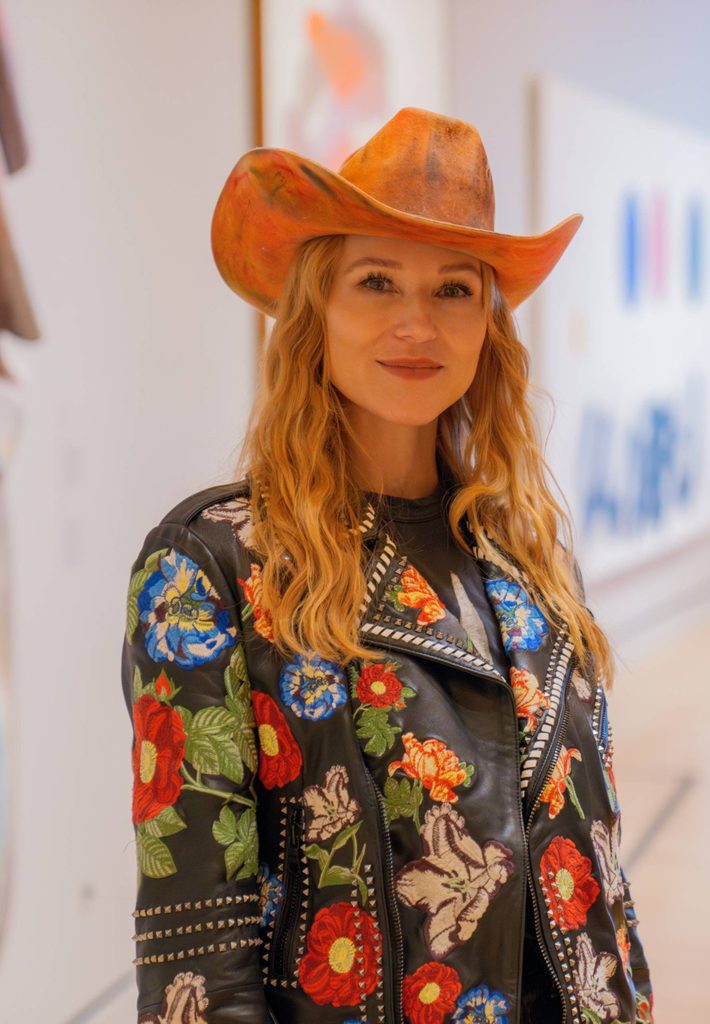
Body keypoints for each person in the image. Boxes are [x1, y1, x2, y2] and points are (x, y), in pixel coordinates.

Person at [121, 107, 654, 1024]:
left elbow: (599, 893)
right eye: (377, 281)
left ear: (487, 325)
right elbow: (196, 955)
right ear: (314, 310)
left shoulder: (527, 556)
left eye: (453, 290)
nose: (418, 323)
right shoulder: (209, 572)